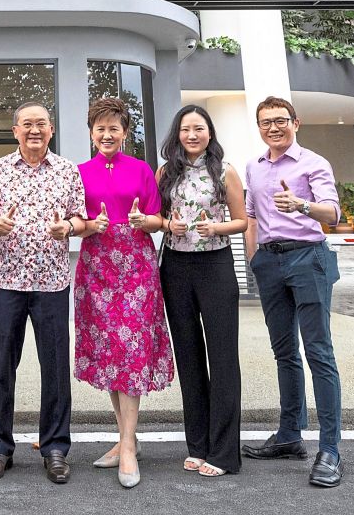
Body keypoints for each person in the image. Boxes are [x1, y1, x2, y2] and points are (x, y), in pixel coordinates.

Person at [0, 102, 87, 486]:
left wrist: (68, 229)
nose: (34, 130)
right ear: (15, 130)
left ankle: (55, 448)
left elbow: (81, 217)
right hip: (6, 282)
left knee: (54, 367)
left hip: (52, 283)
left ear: (51, 129)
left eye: (41, 124)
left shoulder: (67, 170)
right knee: (3, 365)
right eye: (27, 124)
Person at [242, 96, 344, 488]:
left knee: (318, 351)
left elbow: (332, 214)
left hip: (308, 259)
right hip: (269, 262)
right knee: (284, 352)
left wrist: (302, 205)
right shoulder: (254, 166)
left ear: (295, 123)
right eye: (266, 122)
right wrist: (254, 259)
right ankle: (288, 436)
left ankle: (330, 449)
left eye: (280, 120)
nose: (273, 127)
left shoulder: (313, 163)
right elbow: (251, 215)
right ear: (260, 127)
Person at [74, 97, 174, 488]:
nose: (107, 134)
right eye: (100, 128)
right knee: (112, 353)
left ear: (125, 132)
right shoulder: (79, 172)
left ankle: (128, 447)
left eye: (114, 127)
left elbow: (159, 219)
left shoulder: (142, 170)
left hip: (135, 267)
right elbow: (74, 220)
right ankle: (125, 437)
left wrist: (142, 220)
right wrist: (88, 225)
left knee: (131, 352)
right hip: (97, 267)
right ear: (91, 133)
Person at [157, 105, 247, 478]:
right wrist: (167, 224)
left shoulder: (225, 172)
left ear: (210, 133)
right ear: (177, 134)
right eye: (185, 129)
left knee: (223, 358)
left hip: (215, 266)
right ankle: (197, 445)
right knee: (189, 358)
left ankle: (225, 454)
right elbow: (156, 217)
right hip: (175, 267)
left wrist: (218, 229)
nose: (192, 135)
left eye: (199, 129)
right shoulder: (165, 172)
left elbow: (242, 221)